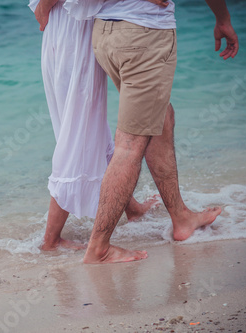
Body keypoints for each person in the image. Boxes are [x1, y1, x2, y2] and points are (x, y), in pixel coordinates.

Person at [82, 0, 238, 264]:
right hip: (144, 33)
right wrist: (223, 19)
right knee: (130, 144)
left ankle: (181, 218)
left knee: (161, 116)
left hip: (105, 33)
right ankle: (99, 248)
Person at [29, 0, 161, 251]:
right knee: (78, 135)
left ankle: (132, 209)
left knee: (87, 130)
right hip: (75, 36)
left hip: (61, 33)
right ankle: (51, 240)